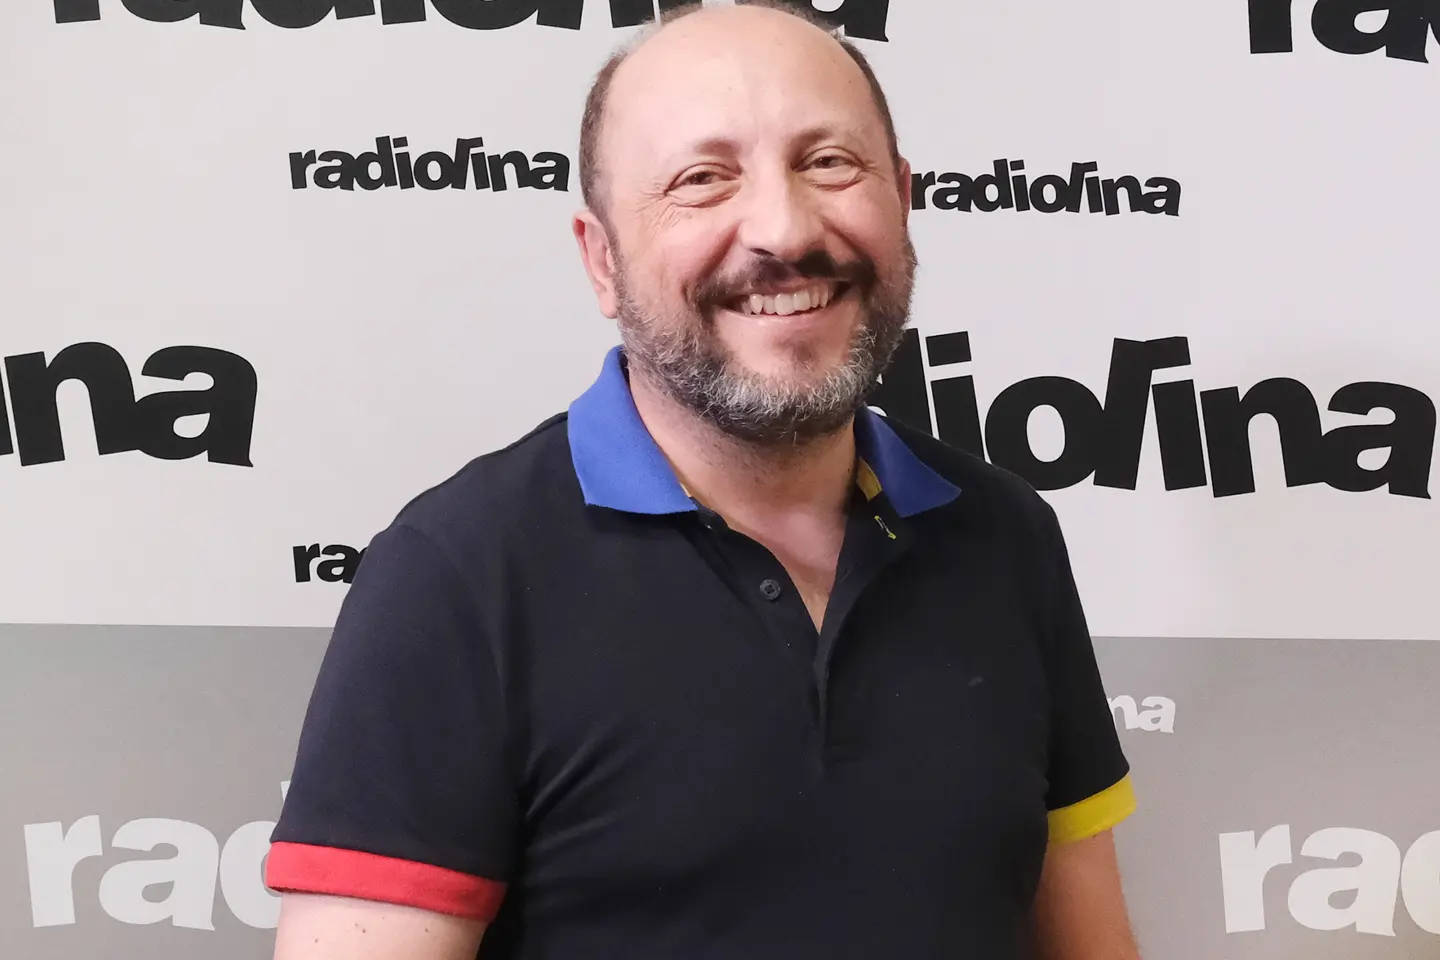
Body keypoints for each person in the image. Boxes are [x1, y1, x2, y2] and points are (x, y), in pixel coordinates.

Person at [265, 3, 1141, 958]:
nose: (783, 229)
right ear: (602, 259)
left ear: (901, 201)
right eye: (702, 179)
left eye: (828, 163)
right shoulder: (457, 575)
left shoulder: (1006, 535)